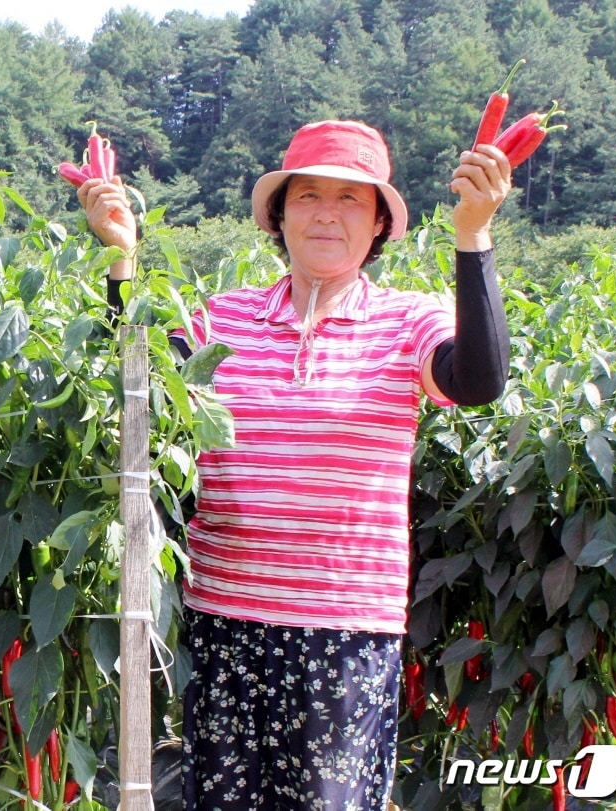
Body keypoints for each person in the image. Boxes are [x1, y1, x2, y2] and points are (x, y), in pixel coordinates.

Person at [78, 120, 511, 808]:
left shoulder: (408, 321)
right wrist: (121, 255)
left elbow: (479, 380)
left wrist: (473, 234)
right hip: (225, 623)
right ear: (280, 216)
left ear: (378, 224)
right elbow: (138, 379)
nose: (327, 214)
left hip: (344, 631)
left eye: (350, 199)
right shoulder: (221, 320)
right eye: (308, 195)